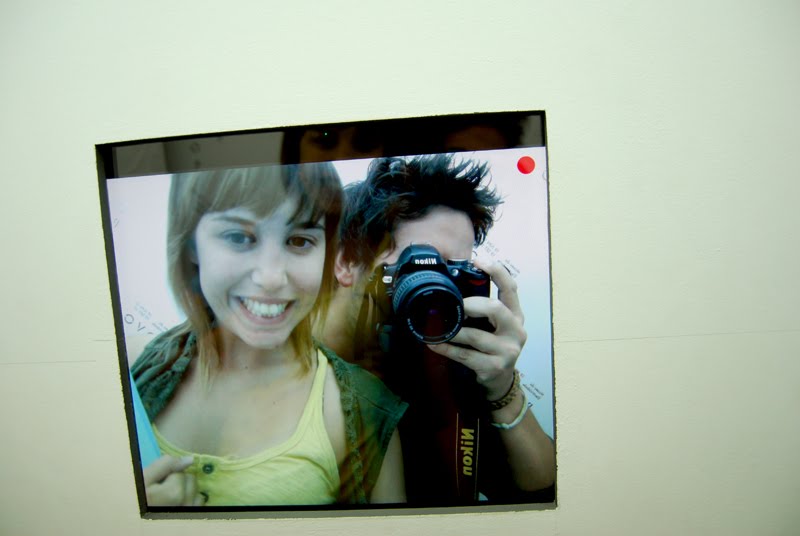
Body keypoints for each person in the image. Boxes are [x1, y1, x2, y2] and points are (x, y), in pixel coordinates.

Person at [128, 163, 407, 507]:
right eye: (238, 237)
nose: (272, 277)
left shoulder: (366, 412)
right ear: (190, 245)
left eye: (299, 241)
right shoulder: (128, 369)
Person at [318, 154, 555, 504]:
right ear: (348, 261)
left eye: (450, 271)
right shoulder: (285, 358)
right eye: (416, 265)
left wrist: (503, 388)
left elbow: (543, 492)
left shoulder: (443, 362)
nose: (435, 289)